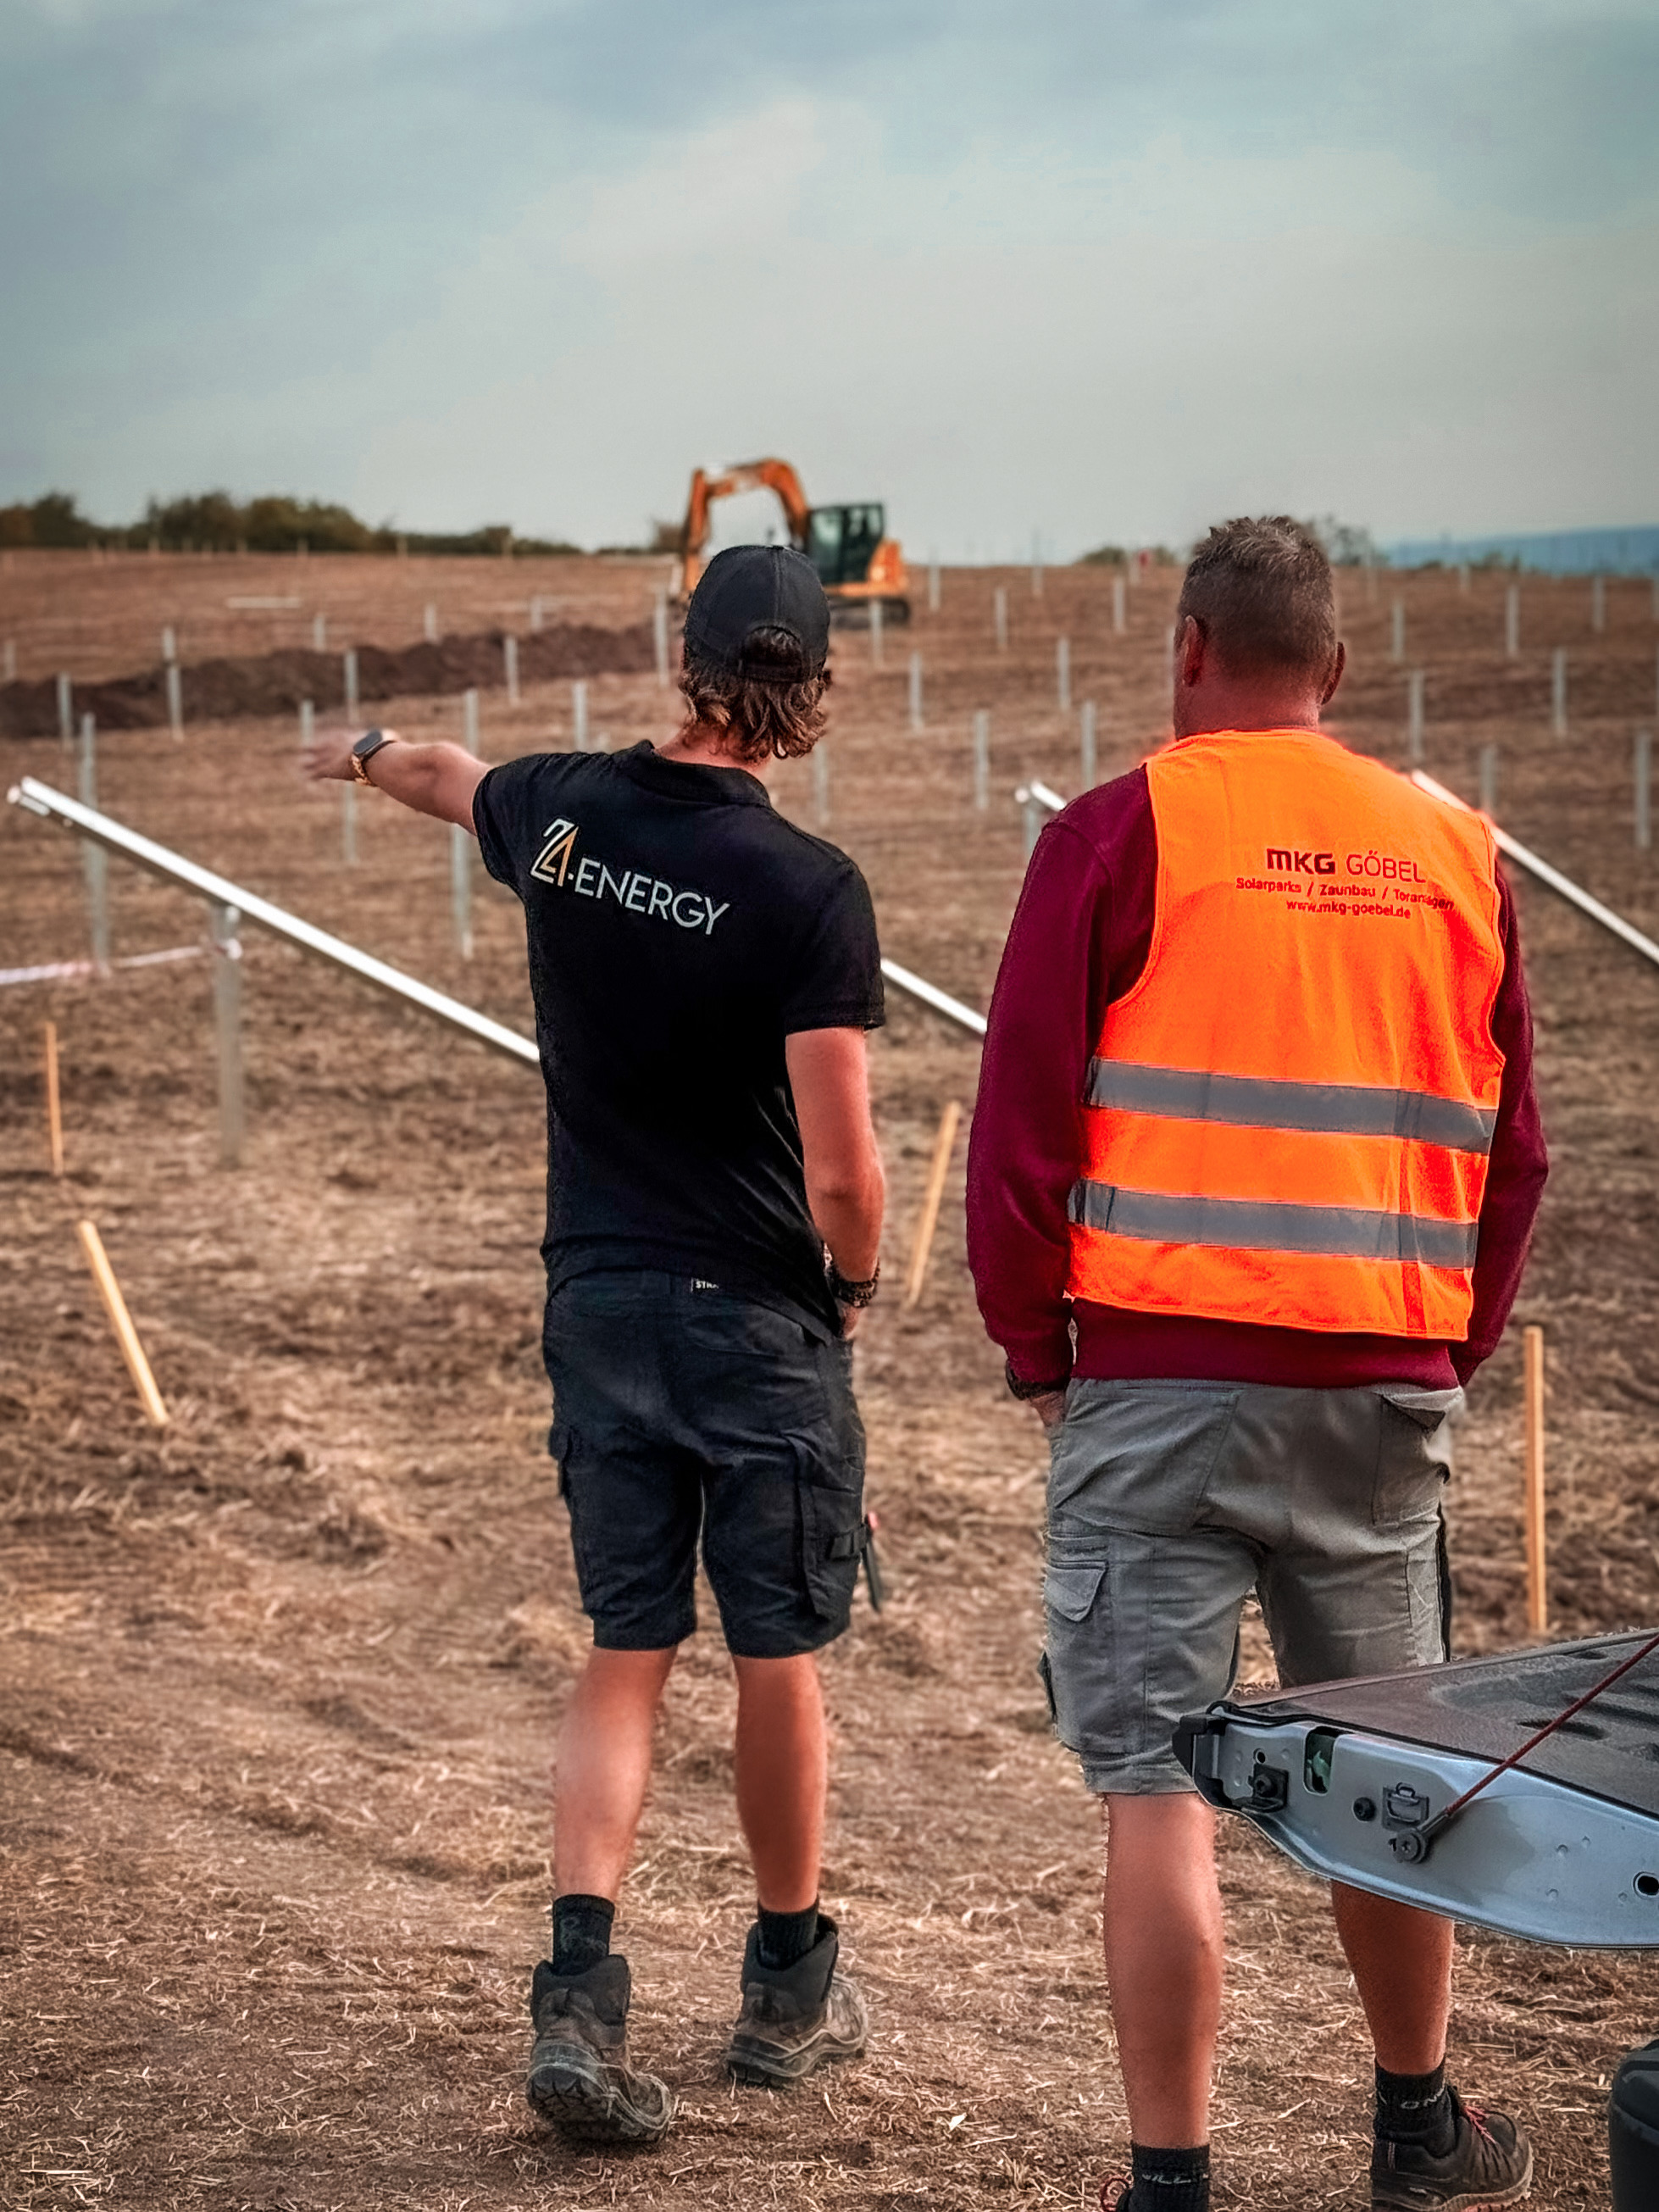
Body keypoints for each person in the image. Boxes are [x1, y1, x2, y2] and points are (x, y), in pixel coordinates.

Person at [966, 518, 1546, 2212]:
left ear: (1189, 651)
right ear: (1338, 673)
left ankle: (1170, 2183)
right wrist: (1441, 1341)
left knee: (1155, 1784)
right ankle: (1418, 2132)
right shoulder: (1455, 847)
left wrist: (1036, 1352)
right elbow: (1515, 1158)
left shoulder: (1119, 827)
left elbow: (1021, 1129)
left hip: (1154, 1384)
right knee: (1386, 1766)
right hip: (1380, 1390)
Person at [304, 544, 885, 2148]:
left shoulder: (561, 810)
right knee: (777, 1653)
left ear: (681, 660)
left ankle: (578, 1987)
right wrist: (854, 1286)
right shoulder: (806, 888)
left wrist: (359, 755)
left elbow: (441, 771)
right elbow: (843, 1173)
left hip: (599, 1301)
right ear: (809, 688)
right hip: (755, 1319)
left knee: (625, 1648)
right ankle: (785, 1995)